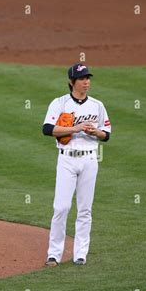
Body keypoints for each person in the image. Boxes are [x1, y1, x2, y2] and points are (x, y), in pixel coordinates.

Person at [42, 63, 112, 266]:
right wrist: (75, 128)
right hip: (67, 159)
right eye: (82, 78)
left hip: (90, 159)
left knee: (85, 209)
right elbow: (47, 129)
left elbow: (106, 135)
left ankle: (80, 253)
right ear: (72, 82)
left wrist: (95, 132)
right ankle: (54, 254)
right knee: (61, 207)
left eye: (88, 78)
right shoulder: (60, 103)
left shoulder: (97, 105)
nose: (86, 82)